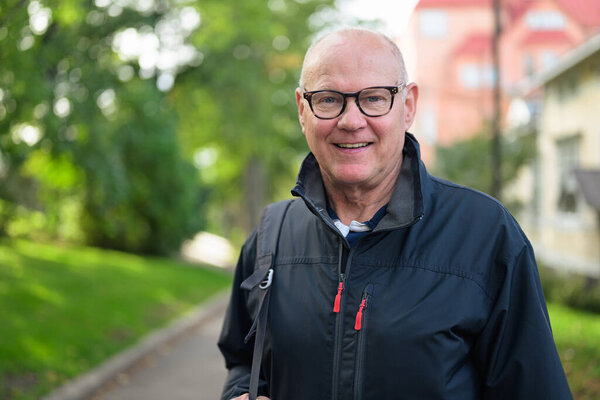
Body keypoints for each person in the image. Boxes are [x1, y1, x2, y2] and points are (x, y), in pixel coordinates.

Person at [218, 28, 572, 400]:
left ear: (408, 105)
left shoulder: (486, 235)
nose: (351, 120)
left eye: (373, 98)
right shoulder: (271, 236)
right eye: (327, 100)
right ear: (302, 110)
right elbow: (243, 360)